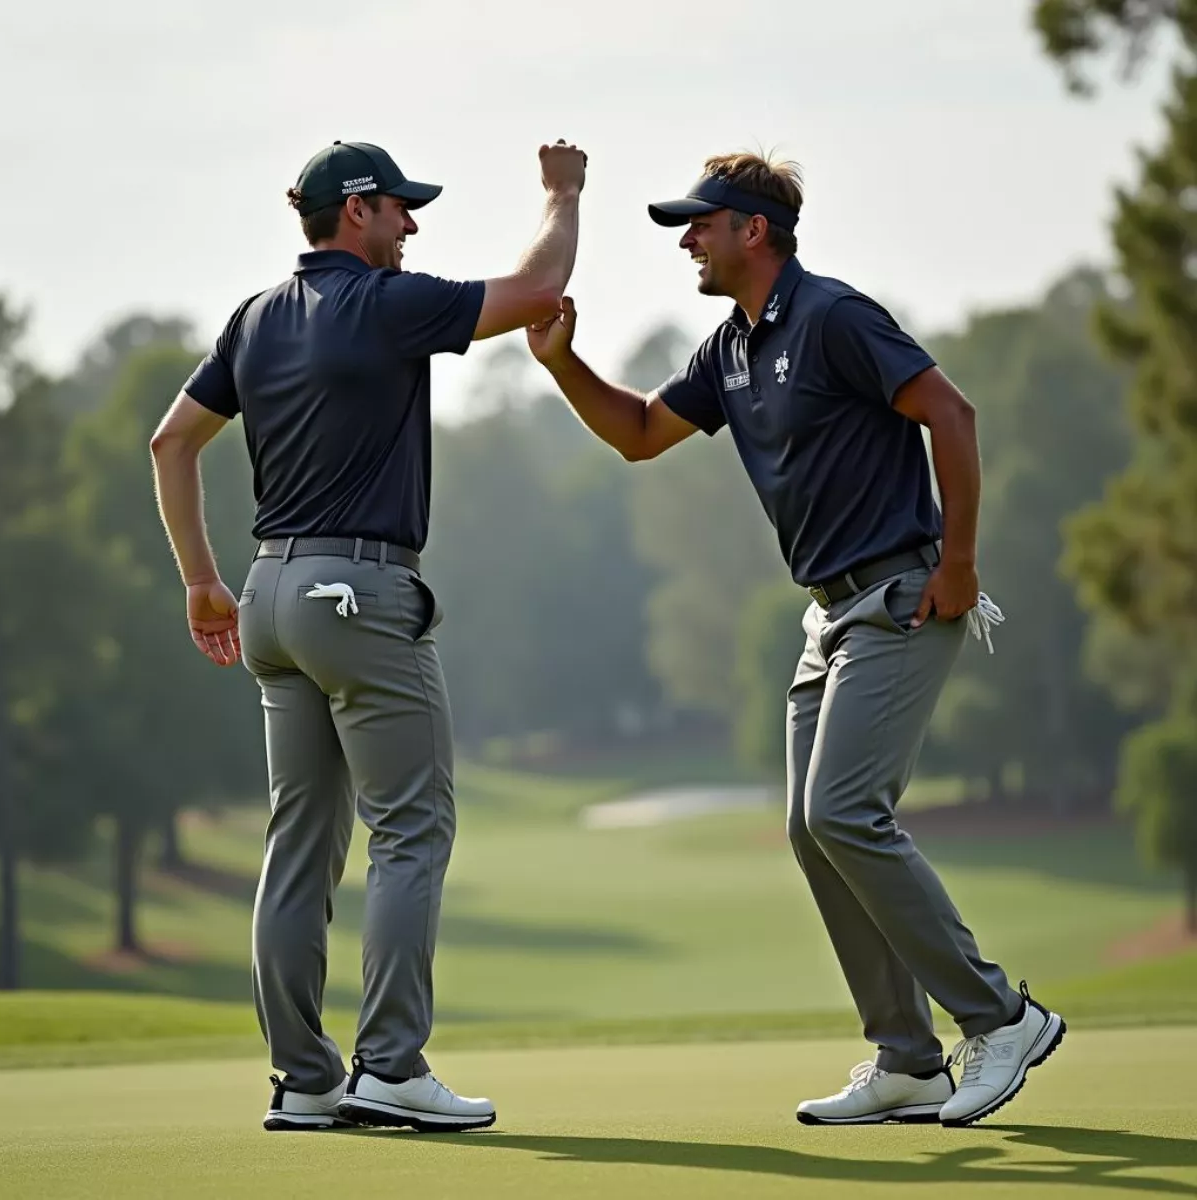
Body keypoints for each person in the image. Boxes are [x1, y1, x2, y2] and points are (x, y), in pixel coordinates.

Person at [524, 151, 1064, 1129]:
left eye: (700, 223)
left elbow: (951, 411)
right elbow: (641, 433)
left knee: (845, 812)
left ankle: (1003, 1018)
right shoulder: (729, 349)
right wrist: (562, 364)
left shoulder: (833, 317)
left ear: (753, 231)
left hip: (902, 596)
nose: (686, 239)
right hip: (828, 615)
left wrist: (961, 567)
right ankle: (908, 1059)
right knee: (812, 833)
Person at [150, 136, 587, 1132]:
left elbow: (171, 441)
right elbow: (539, 285)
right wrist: (562, 192)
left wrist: (203, 585)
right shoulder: (389, 305)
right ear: (356, 212)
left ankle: (306, 1081)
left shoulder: (253, 320)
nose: (412, 224)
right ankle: (389, 1067)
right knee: (411, 829)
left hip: (264, 597)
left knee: (298, 844)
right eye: (399, 208)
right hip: (360, 593)